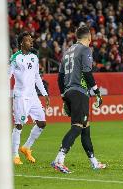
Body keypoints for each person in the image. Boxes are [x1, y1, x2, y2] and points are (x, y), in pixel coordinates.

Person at [51, 25, 106, 174]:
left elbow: (60, 77)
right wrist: (97, 93)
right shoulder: (85, 50)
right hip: (79, 92)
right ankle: (59, 159)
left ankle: (94, 162)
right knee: (77, 127)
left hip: (69, 91)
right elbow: (87, 73)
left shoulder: (67, 51)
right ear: (89, 37)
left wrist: (63, 96)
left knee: (85, 128)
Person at [9, 32, 50, 165]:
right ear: (22, 43)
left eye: (31, 40)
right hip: (20, 96)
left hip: (33, 96)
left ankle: (26, 147)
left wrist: (44, 93)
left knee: (42, 123)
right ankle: (14, 155)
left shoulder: (34, 57)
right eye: (28, 40)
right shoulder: (15, 58)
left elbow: (37, 77)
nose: (31, 42)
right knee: (19, 124)